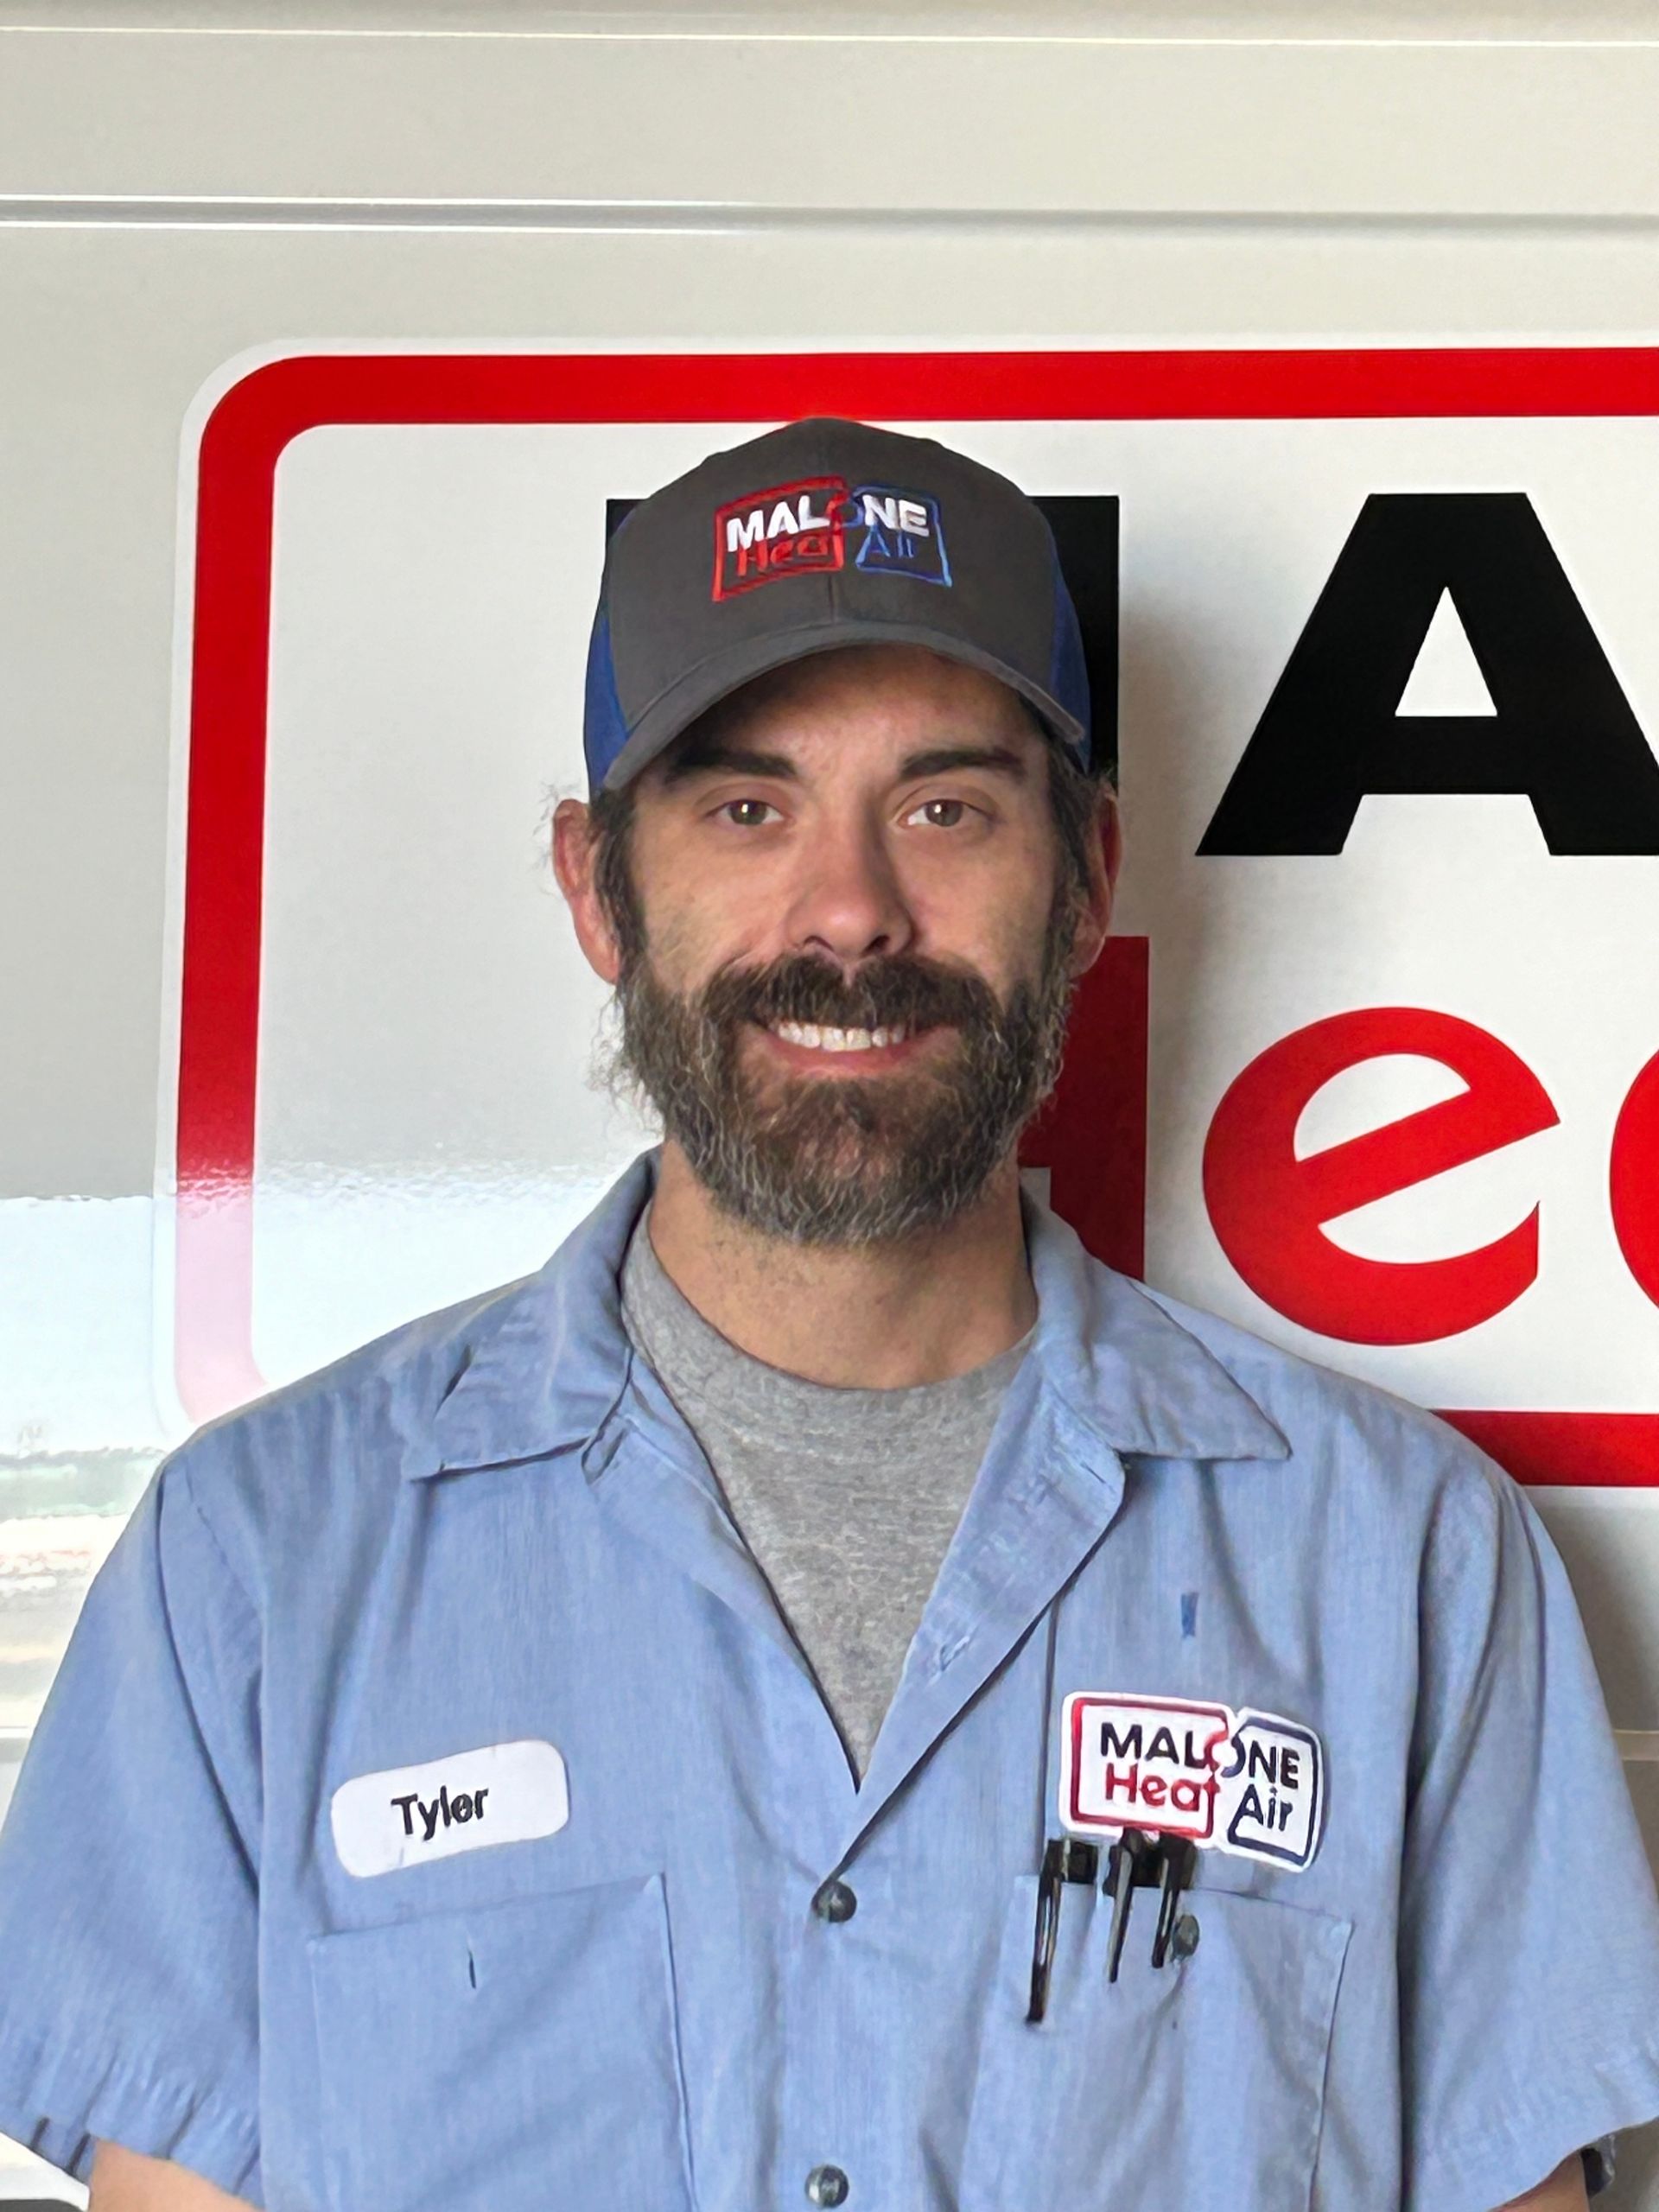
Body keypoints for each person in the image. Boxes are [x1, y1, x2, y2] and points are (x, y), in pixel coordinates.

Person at [0, 417, 1656, 2212]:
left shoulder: (1400, 1558)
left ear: (1088, 876)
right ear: (596, 884)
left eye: (945, 806)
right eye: (745, 806)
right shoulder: (255, 1564)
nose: (853, 910)